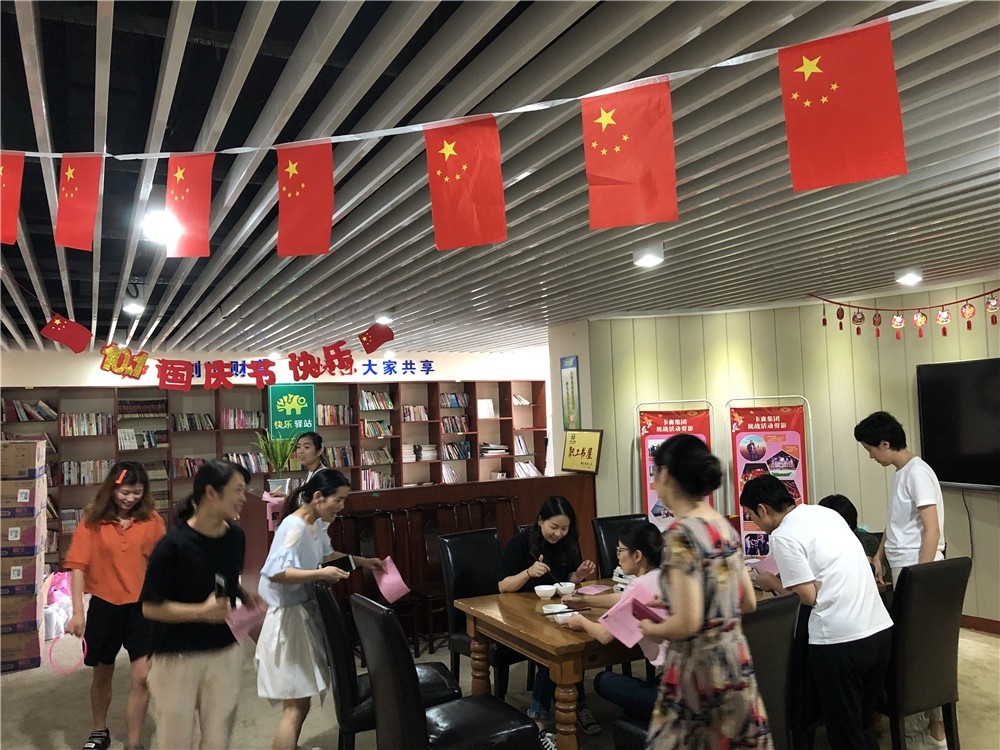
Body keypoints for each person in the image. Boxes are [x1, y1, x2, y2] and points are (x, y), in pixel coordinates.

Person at [638, 434, 771, 750]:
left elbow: (687, 623)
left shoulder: (680, 533)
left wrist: (651, 629)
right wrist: (675, 598)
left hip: (697, 667)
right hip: (734, 661)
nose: (655, 482)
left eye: (655, 473)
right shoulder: (722, 525)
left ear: (666, 474)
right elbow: (746, 601)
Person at [741, 475, 892, 750]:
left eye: (751, 515)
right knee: (862, 727)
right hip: (879, 631)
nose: (755, 523)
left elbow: (807, 597)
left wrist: (770, 582)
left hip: (840, 641)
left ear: (762, 509)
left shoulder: (783, 535)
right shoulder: (825, 514)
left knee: (845, 736)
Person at [256, 468, 384, 750]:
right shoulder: (294, 527)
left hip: (300, 615)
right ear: (317, 497)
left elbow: (328, 556)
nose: (341, 506)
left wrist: (364, 561)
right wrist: (319, 574)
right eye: (338, 499)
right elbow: (276, 572)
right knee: (295, 706)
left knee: (298, 702)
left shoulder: (314, 524)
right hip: (288, 622)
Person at [141, 459, 261, 750]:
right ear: (210, 492)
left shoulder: (235, 536)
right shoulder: (172, 546)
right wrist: (201, 612)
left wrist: (246, 597)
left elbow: (224, 577)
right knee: (175, 740)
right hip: (177, 657)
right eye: (238, 490)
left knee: (218, 740)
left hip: (225, 652)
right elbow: (150, 607)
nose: (243, 498)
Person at [854, 410, 946, 747]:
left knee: (920, 654)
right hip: (905, 569)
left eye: (870, 449)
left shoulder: (917, 473)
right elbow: (895, 524)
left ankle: (932, 730)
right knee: (913, 651)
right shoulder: (901, 473)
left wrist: (919, 579)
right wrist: (879, 556)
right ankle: (926, 726)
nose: (870, 456)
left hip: (918, 573)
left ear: (885, 443)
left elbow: (932, 530)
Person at [64, 462, 166, 750]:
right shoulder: (92, 521)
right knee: (101, 675)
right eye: (124, 492)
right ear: (112, 489)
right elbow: (77, 566)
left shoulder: (153, 521)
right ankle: (99, 731)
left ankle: (133, 742)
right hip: (105, 607)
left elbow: (164, 565)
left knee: (143, 678)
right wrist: (77, 612)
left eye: (137, 492)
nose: (130, 498)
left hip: (142, 609)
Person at [497, 495, 599, 741]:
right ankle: (540, 718)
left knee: (571, 644)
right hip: (521, 615)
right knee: (553, 649)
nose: (558, 534)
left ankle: (576, 707)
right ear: (541, 520)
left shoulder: (568, 543)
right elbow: (503, 586)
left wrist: (579, 575)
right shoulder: (520, 544)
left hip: (555, 610)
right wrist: (528, 573)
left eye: (564, 528)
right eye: (554, 527)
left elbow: (567, 580)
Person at [560, 521, 665, 724]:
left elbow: (604, 635)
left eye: (620, 550)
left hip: (670, 692)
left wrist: (580, 621)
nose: (617, 556)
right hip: (689, 680)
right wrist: (584, 601)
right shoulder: (663, 576)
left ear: (637, 555)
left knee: (603, 681)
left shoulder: (639, 586)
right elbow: (625, 599)